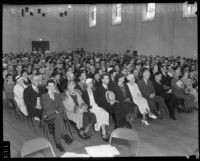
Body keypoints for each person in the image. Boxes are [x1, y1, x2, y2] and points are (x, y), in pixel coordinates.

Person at [40, 79, 73, 152]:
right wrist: (50, 98)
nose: (51, 88)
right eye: (49, 86)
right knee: (58, 118)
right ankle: (65, 135)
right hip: (48, 116)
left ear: (54, 87)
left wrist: (57, 111)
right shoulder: (43, 96)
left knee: (57, 121)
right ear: (47, 87)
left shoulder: (57, 95)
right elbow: (45, 108)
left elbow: (62, 107)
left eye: (53, 86)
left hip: (56, 116)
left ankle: (58, 144)